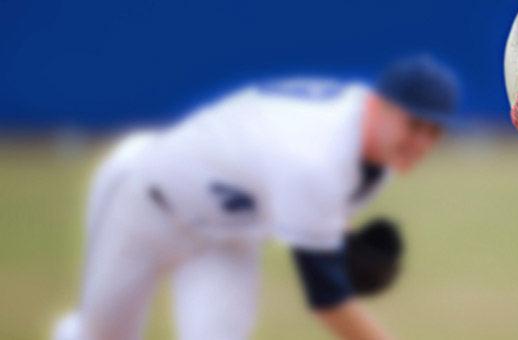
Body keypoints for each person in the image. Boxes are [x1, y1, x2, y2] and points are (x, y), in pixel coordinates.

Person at [52, 55, 458, 340]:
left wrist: (340, 238)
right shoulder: (317, 156)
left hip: (228, 239)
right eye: (414, 123)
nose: (422, 141)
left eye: (434, 131)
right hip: (147, 202)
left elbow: (319, 206)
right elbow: (328, 299)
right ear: (378, 105)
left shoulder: (377, 158)